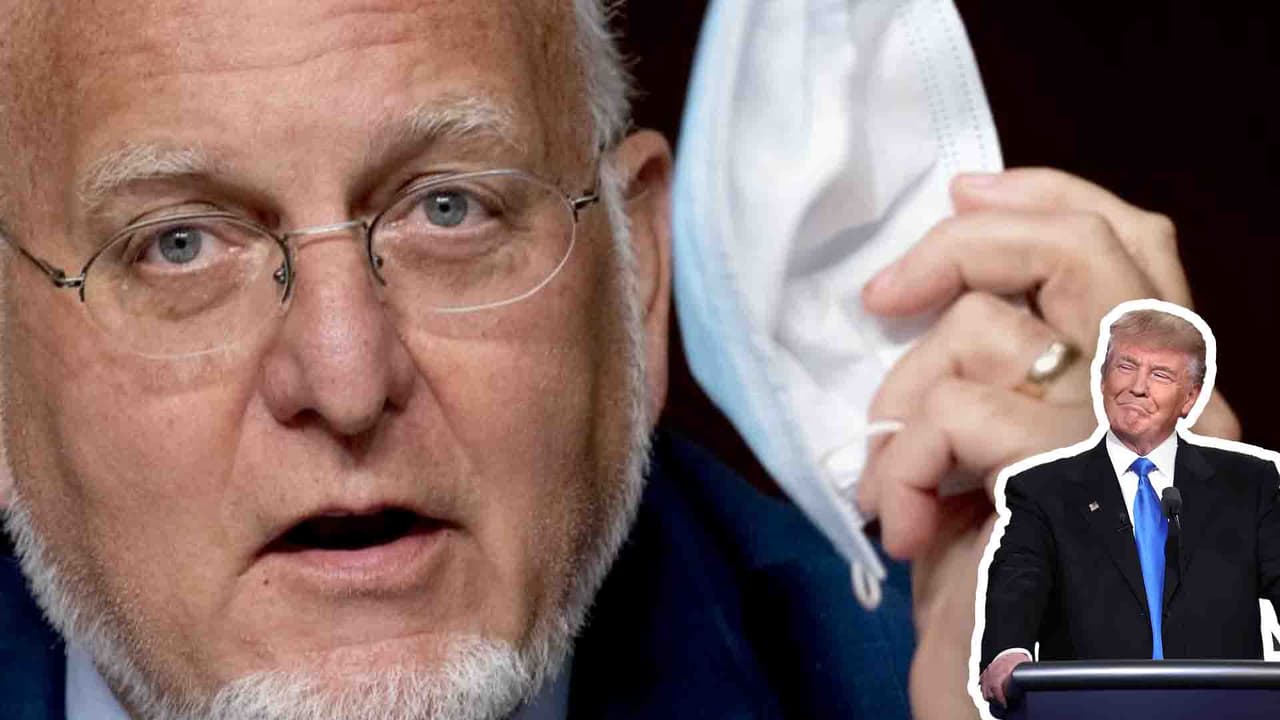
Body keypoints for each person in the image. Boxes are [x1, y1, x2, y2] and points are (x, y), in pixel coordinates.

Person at [0, 1, 926, 719]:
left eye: (448, 208)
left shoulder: (924, 684)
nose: (347, 383)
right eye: (179, 245)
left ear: (637, 277)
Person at [976, 306, 1280, 711]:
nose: (1138, 387)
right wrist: (1008, 651)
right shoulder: (1043, 491)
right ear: (1103, 379)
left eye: (1160, 375)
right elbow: (1019, 580)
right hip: (1091, 709)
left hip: (1222, 708)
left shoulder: (1248, 484)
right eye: (1126, 366)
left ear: (1189, 399)